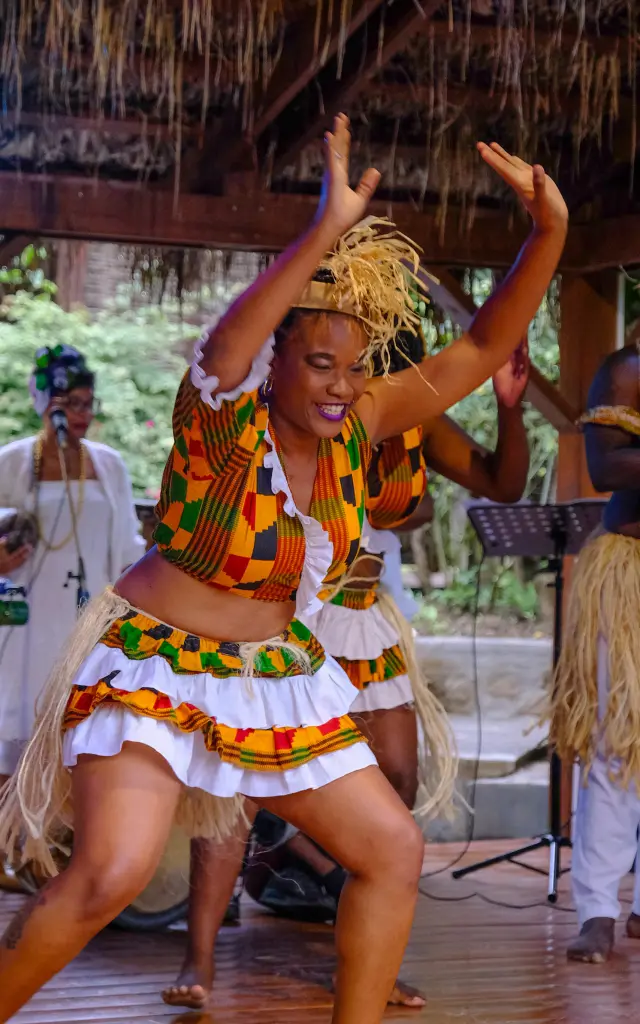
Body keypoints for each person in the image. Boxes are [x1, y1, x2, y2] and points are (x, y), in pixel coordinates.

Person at [0, 115, 567, 1024]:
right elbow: (227, 344)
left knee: (390, 849)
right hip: (158, 665)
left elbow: (482, 349)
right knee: (109, 872)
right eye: (319, 364)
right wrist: (322, 235)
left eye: (354, 368)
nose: (343, 385)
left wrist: (550, 234)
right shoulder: (223, 417)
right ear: (275, 365)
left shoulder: (362, 423)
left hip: (277, 675)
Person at [0, 345, 145, 785]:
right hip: (23, 623)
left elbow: (126, 546)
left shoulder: (109, 465)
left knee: (75, 738)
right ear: (43, 401)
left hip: (85, 621)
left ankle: (57, 845)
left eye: (86, 403)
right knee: (13, 732)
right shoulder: (11, 462)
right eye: (69, 404)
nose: (79, 415)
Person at [552, 341, 640, 963]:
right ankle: (598, 912)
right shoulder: (626, 372)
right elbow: (605, 470)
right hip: (629, 577)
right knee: (617, 744)